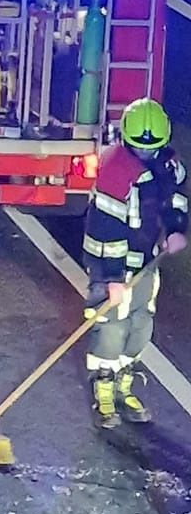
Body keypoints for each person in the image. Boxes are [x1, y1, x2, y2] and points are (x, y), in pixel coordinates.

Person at [82, 97, 189, 426]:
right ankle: (103, 390)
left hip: (146, 262)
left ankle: (124, 384)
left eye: (151, 149)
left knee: (141, 325)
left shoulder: (167, 163)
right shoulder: (115, 169)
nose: (145, 154)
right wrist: (112, 278)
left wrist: (175, 228)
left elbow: (175, 196)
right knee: (112, 329)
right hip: (112, 266)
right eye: (139, 149)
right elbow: (103, 228)